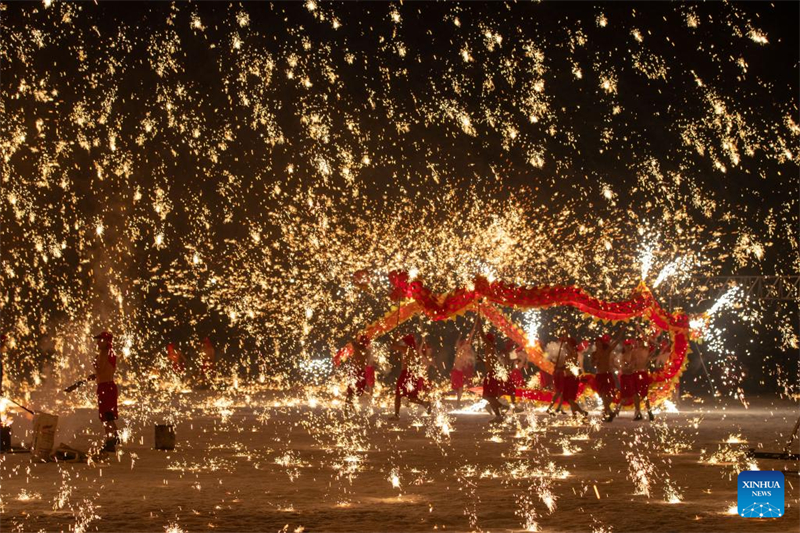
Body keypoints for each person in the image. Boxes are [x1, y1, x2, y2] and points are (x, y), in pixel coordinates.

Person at [86, 331, 120, 452]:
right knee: (108, 416)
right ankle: (115, 436)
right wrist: (94, 375)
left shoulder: (107, 354)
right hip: (105, 386)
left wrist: (95, 364)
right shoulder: (105, 353)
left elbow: (101, 370)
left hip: (107, 387)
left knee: (106, 417)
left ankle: (110, 441)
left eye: (101, 340)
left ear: (107, 342)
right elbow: (102, 372)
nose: (98, 343)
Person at [392, 334, 431, 419]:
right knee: (411, 397)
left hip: (406, 374)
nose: (402, 342)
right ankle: (425, 403)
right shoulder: (413, 350)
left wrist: (394, 338)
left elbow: (393, 346)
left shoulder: (406, 349)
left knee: (398, 395)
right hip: (412, 374)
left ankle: (396, 415)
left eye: (404, 341)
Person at [591, 331, 623, 422]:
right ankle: (608, 412)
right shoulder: (594, 354)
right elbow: (592, 364)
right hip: (599, 376)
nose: (597, 344)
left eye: (599, 343)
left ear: (602, 343)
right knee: (602, 395)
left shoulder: (607, 351)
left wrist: (621, 332)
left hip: (607, 375)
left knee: (609, 395)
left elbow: (615, 343)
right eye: (596, 343)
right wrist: (595, 362)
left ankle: (606, 412)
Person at [451, 318, 479, 409]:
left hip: (459, 371)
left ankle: (458, 403)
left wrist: (475, 325)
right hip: (455, 371)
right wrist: (459, 336)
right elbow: (457, 343)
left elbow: (470, 336)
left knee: (460, 387)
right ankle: (458, 402)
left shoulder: (465, 350)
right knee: (457, 388)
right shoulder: (459, 350)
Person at [480, 330, 507, 423]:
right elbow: (490, 364)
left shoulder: (489, 346)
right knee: (491, 397)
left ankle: (502, 407)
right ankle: (498, 416)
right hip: (492, 374)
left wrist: (478, 323)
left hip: (491, 375)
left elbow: (482, 335)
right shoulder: (491, 348)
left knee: (487, 396)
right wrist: (482, 361)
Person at [561, 338, 590, 420]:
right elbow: (566, 366)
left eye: (568, 344)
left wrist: (566, 339)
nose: (566, 346)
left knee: (570, 398)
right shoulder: (568, 355)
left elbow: (578, 366)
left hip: (573, 378)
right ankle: (575, 415)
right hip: (567, 378)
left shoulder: (575, 353)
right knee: (568, 399)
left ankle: (581, 412)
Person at [345, 335, 372, 410]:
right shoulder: (364, 350)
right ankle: (349, 406)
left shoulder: (359, 349)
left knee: (354, 390)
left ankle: (350, 405)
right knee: (353, 390)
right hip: (357, 371)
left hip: (357, 371)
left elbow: (352, 342)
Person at [546, 337, 567, 416]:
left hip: (558, 373)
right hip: (559, 373)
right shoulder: (559, 352)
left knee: (562, 392)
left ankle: (559, 407)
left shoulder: (559, 351)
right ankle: (550, 408)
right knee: (559, 392)